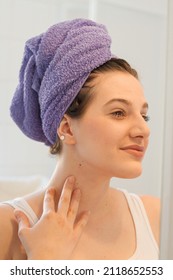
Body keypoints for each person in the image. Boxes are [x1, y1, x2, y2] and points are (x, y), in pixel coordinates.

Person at [0, 18, 160, 260]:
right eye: (119, 113)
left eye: (144, 116)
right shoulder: (9, 227)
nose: (143, 130)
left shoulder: (155, 216)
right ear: (67, 128)